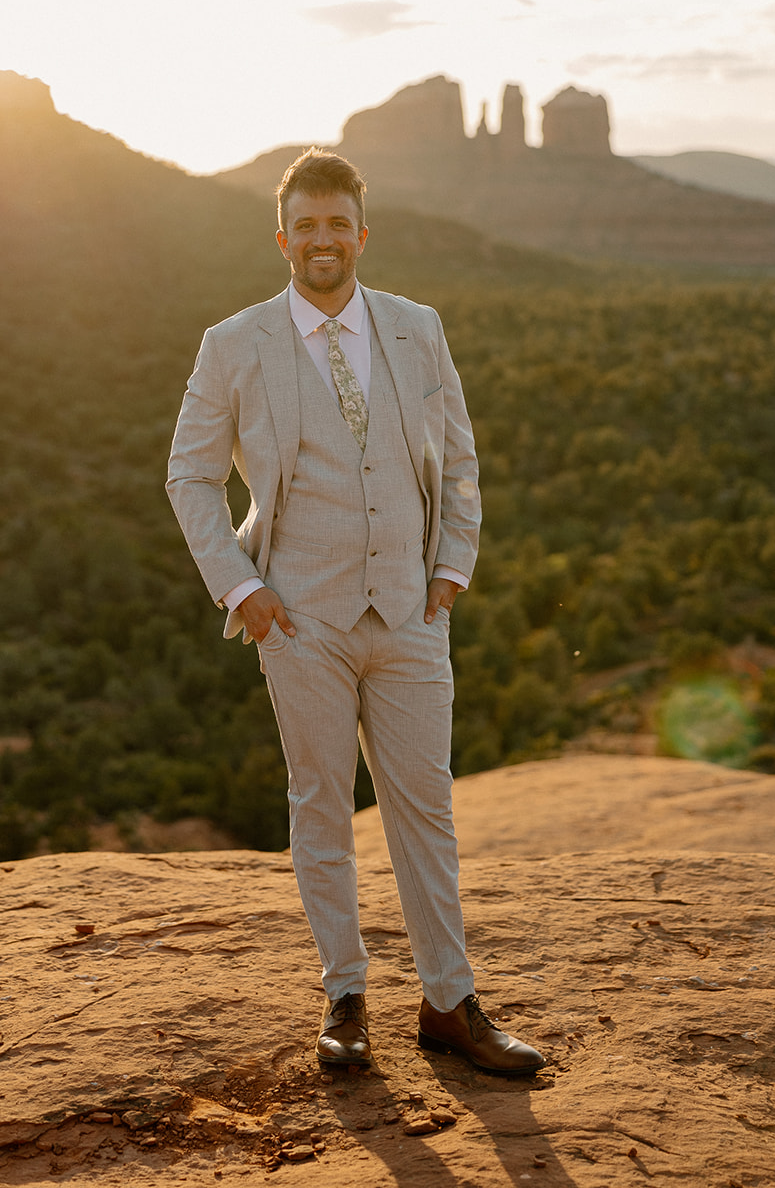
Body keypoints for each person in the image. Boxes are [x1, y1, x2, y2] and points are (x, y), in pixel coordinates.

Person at [166, 148, 545, 1076]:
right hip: (299, 618)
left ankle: (449, 1004)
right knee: (321, 806)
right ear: (283, 238)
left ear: (360, 234)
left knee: (428, 810)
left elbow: (457, 460)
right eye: (306, 225)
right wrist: (244, 591)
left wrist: (451, 570)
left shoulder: (416, 329)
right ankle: (345, 995)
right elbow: (189, 474)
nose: (322, 240)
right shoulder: (235, 342)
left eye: (339, 224)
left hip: (411, 614)